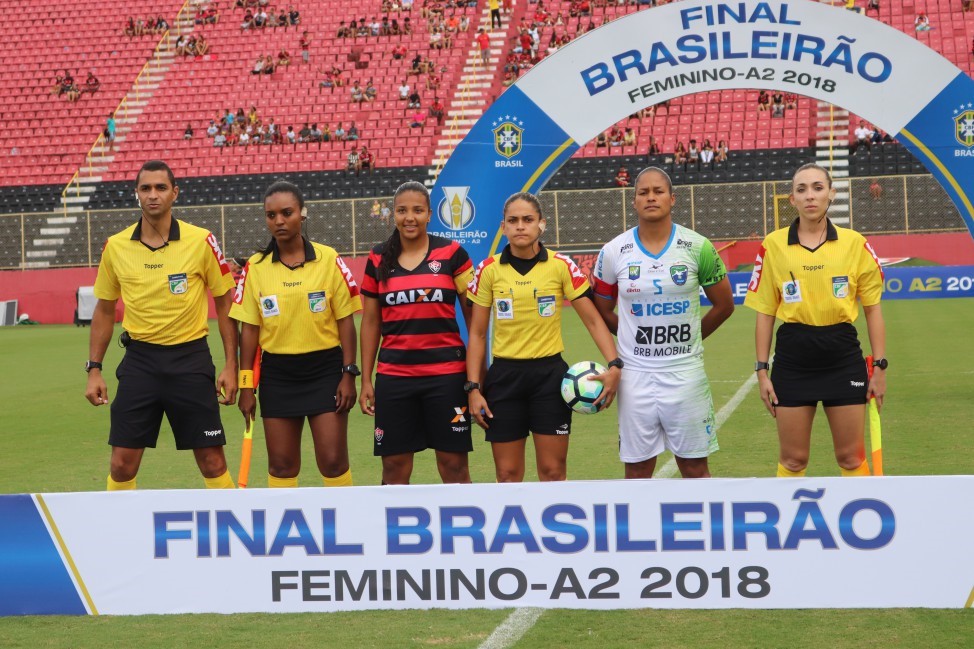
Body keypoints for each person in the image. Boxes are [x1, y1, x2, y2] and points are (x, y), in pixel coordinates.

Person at [84, 160, 238, 491]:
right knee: (121, 463)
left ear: (174, 193)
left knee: (212, 461)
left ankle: (228, 522)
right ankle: (120, 524)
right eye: (146, 188)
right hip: (140, 362)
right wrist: (94, 369)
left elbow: (225, 304)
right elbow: (105, 310)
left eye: (160, 188)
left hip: (191, 359)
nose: (153, 195)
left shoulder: (202, 240)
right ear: (136, 193)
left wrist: (231, 364)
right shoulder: (116, 246)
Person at [466, 192, 622, 482]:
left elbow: (592, 320)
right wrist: (473, 388)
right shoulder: (488, 270)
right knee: (507, 475)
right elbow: (476, 333)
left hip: (550, 378)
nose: (520, 226)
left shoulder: (560, 265)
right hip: (504, 378)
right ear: (503, 227)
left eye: (528, 219)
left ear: (542, 224)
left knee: (553, 473)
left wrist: (614, 364)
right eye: (513, 220)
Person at [743, 163, 886, 478]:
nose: (810, 195)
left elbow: (873, 309)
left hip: (842, 355)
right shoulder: (773, 245)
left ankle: (859, 512)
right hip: (793, 358)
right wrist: (762, 371)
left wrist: (879, 367)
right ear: (791, 199)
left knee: (851, 457)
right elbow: (765, 312)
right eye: (802, 189)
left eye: (818, 188)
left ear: (831, 194)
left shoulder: (854, 243)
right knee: (793, 460)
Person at [592, 167, 734, 479]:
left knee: (694, 468)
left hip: (685, 373)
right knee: (637, 470)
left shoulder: (698, 246)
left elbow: (724, 305)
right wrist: (632, 337)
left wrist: (692, 337)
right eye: (643, 192)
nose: (651, 197)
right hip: (635, 375)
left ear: (672, 198)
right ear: (634, 201)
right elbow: (600, 311)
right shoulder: (613, 251)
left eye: (658, 191)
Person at [231, 181, 362, 488]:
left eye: (287, 213)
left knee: (333, 461)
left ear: (302, 214)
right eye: (271, 215)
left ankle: (342, 516)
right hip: (278, 375)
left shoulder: (328, 259)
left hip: (325, 371)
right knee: (281, 465)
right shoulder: (256, 267)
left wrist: (349, 373)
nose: (279, 221)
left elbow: (346, 321)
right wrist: (246, 386)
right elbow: (249, 330)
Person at [359, 182, 475, 485]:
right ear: (393, 215)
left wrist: (477, 378)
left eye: (417, 210)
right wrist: (366, 379)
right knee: (394, 468)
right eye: (402, 210)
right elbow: (370, 323)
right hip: (395, 378)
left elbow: (475, 321)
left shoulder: (452, 253)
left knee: (454, 467)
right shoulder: (377, 257)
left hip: (447, 377)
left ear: (429, 215)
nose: (409, 217)